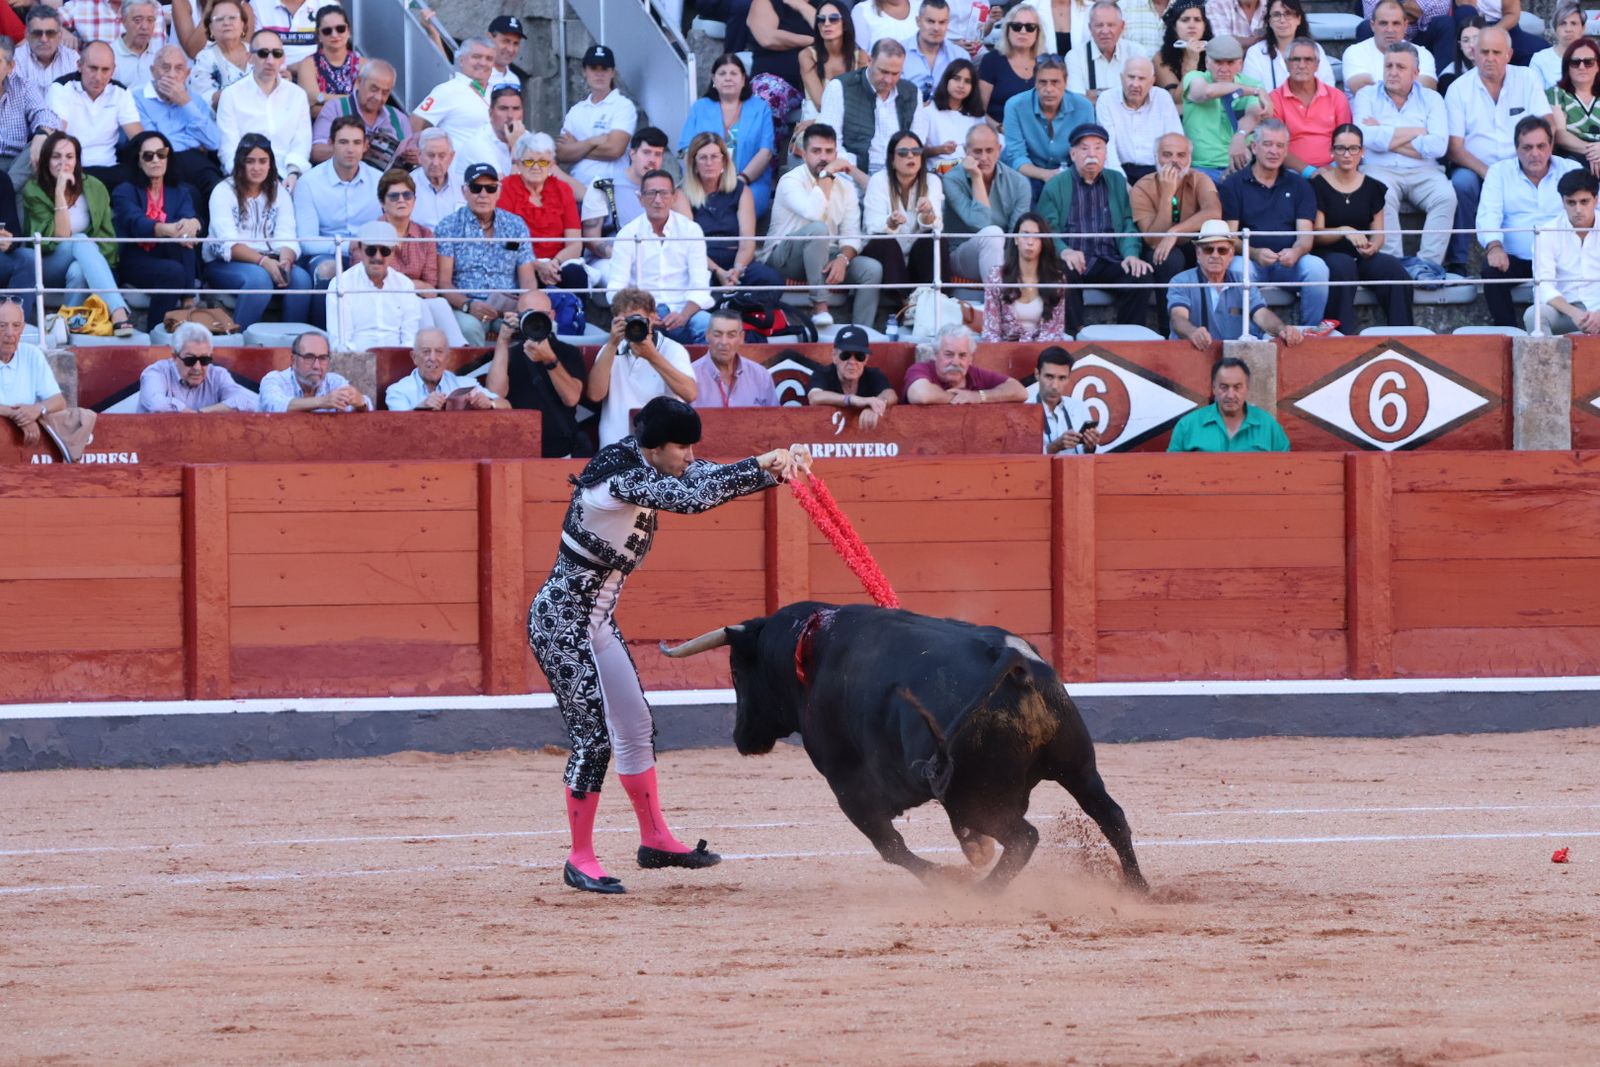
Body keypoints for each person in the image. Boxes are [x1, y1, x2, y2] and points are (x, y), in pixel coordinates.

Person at [528, 394, 810, 895]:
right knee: (594, 740)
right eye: (682, 446)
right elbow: (692, 498)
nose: (689, 455)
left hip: (595, 621)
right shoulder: (618, 477)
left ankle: (656, 839)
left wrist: (769, 468)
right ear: (654, 447)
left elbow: (697, 480)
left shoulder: (645, 463)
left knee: (635, 727)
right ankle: (580, 857)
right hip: (560, 622)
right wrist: (759, 467)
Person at [1444, 27, 1550, 272]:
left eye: (1496, 52)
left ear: (1509, 54)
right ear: (1473, 54)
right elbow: (1454, 148)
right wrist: (1489, 172)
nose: (1489, 58)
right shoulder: (1458, 89)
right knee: (1461, 184)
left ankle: (1543, 257)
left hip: (1521, 165)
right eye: (1484, 52)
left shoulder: (1527, 78)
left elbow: (1547, 124)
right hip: (1476, 167)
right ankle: (1459, 262)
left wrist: (1524, 166)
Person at [762, 122, 883, 328]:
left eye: (829, 151)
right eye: (816, 151)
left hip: (826, 255)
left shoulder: (846, 187)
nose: (824, 157)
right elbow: (813, 213)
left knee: (872, 269)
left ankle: (862, 332)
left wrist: (843, 259)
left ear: (836, 153)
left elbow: (851, 234)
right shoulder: (790, 180)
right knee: (819, 229)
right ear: (804, 153)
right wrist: (827, 175)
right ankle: (820, 305)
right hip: (785, 257)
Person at [1038, 123, 1153, 333]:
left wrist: (1131, 254)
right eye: (1084, 148)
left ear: (1106, 153)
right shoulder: (1056, 184)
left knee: (1139, 275)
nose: (1092, 154)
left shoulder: (1116, 180)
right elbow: (1046, 229)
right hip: (1073, 258)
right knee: (1063, 274)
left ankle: (1130, 337)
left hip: (1107, 257)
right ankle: (1072, 336)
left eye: (1098, 147)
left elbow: (1128, 223)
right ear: (1073, 154)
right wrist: (1064, 250)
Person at [1352, 41, 1455, 271]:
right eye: (1389, 66)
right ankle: (1394, 266)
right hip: (1380, 169)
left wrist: (1384, 134)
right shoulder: (1366, 95)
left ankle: (1427, 267)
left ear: (1415, 73)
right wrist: (1419, 132)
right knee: (1379, 193)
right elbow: (1364, 138)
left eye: (1400, 67)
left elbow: (1438, 146)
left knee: (1446, 196)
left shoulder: (1432, 99)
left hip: (1425, 171)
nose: (1393, 72)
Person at [1218, 118, 1330, 326]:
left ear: (1286, 151)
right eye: (1268, 144)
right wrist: (1255, 253)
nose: (1274, 151)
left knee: (1317, 267)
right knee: (1236, 269)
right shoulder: (1234, 184)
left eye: (1280, 146)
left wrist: (1296, 252)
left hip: (1289, 261)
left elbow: (1306, 236)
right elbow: (1230, 237)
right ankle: (1250, 334)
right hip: (1251, 260)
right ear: (1254, 146)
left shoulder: (1300, 185)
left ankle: (1310, 331)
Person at [23, 131, 135, 335]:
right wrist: (59, 192)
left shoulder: (94, 186)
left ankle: (68, 326)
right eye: (56, 157)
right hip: (46, 263)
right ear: (46, 160)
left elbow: (106, 236)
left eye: (69, 157)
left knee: (78, 269)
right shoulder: (34, 190)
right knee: (80, 240)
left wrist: (93, 262)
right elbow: (57, 238)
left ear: (77, 160)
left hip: (84, 261)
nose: (62, 162)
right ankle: (119, 311)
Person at [203, 133, 313, 327]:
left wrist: (286, 261)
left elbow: (287, 235)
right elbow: (229, 244)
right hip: (226, 263)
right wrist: (264, 262)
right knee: (259, 281)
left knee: (301, 280)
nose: (257, 168)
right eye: (250, 161)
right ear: (240, 163)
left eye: (263, 161)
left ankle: (291, 345)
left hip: (272, 258)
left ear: (270, 164)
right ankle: (240, 344)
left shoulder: (278, 191)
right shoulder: (223, 191)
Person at [1479, 115, 1579, 326]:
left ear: (1551, 146)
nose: (1535, 154)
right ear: (1516, 149)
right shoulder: (1499, 172)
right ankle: (1506, 332)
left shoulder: (1570, 169)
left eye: (1541, 146)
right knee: (1490, 272)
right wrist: (1495, 246)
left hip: (1561, 257)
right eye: (1527, 147)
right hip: (1518, 259)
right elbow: (1489, 213)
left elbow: (1594, 209)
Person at [1312, 124, 1414, 328]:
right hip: (1328, 253)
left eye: (1353, 149)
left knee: (1395, 270)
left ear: (1362, 152)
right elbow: (1316, 235)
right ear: (1332, 151)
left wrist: (1373, 247)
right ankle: (1340, 334)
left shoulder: (1373, 187)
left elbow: (1378, 234)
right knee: (1343, 267)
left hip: (1362, 253)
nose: (1347, 154)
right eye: (1340, 148)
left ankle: (1403, 332)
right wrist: (1344, 231)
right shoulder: (1317, 185)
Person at [607, 168, 713, 345]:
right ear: (640, 198)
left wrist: (684, 315)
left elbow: (700, 284)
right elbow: (615, 288)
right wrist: (639, 313)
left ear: (674, 197)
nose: (658, 200)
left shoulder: (691, 230)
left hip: (683, 310)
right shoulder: (627, 234)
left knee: (711, 327)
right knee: (627, 328)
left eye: (664, 193)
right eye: (651, 193)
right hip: (641, 313)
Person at [436, 161, 538, 345]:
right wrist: (468, 305)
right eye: (476, 188)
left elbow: (528, 280)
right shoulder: (448, 226)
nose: (483, 194)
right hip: (467, 307)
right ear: (464, 191)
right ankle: (473, 374)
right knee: (469, 329)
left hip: (509, 309)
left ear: (498, 192)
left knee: (541, 326)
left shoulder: (515, 225)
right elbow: (444, 282)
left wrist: (523, 308)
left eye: (490, 188)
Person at [1130, 132, 1222, 333]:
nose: (1174, 161)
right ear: (1156, 158)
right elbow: (1153, 241)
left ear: (1189, 159)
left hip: (1190, 244)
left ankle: (1214, 329)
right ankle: (1168, 331)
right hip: (1158, 250)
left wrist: (1174, 232)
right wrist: (1167, 195)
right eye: (1167, 155)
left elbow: (1214, 211)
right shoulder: (1142, 187)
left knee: (1213, 251)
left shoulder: (1199, 178)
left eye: (1181, 155)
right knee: (1168, 259)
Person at [673, 131, 785, 296]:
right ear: (694, 163)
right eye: (703, 157)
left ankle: (733, 306)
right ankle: (728, 306)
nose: (709, 163)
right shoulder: (682, 194)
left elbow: (747, 244)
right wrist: (718, 271)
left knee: (772, 280)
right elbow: (689, 245)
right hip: (701, 261)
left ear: (724, 160)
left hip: (736, 261)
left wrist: (736, 272)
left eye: (714, 157)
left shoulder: (741, 191)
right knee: (699, 287)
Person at [484, 288, 591, 457]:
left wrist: (549, 359)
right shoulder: (509, 354)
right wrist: (503, 340)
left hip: (561, 452)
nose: (535, 321)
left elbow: (571, 398)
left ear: (552, 316)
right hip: (518, 451)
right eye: (529, 314)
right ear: (517, 316)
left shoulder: (568, 352)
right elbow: (495, 393)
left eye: (541, 315)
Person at [586, 286, 698, 446]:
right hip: (616, 447)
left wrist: (652, 356)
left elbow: (690, 393)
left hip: (660, 448)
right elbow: (595, 395)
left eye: (637, 319)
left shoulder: (672, 349)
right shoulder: (609, 349)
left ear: (652, 318)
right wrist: (612, 344)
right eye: (625, 321)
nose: (633, 325)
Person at [110, 129, 200, 327]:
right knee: (173, 270)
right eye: (148, 156)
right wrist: (170, 229)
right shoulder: (124, 192)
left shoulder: (180, 192)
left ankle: (187, 299)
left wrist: (193, 224)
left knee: (184, 244)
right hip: (135, 257)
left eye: (161, 154)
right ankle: (156, 331)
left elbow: (188, 220)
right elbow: (137, 223)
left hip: (171, 254)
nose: (156, 160)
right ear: (138, 160)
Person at [1166, 219, 1305, 344]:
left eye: (1222, 250)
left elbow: (1261, 314)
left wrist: (1282, 329)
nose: (1215, 255)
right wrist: (1192, 333)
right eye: (1208, 249)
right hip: (1192, 356)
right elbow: (1178, 317)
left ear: (1231, 254)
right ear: (1198, 253)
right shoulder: (1181, 281)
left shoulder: (1242, 281)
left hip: (1233, 360)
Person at [678, 53, 776, 217]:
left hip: (749, 183)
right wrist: (703, 179)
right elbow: (686, 148)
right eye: (722, 74)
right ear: (713, 79)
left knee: (741, 207)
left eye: (734, 73)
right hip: (703, 182)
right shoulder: (700, 107)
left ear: (744, 79)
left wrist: (740, 181)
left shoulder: (760, 108)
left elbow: (765, 152)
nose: (728, 78)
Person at [377, 167, 466, 346]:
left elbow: (431, 287)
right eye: (394, 196)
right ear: (382, 202)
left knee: (439, 303)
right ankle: (430, 356)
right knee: (421, 306)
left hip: (419, 299)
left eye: (407, 195)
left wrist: (403, 284)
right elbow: (374, 282)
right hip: (383, 302)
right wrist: (414, 285)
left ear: (414, 200)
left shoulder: (425, 235)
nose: (401, 200)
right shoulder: (370, 234)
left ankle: (460, 352)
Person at [817, 38, 926, 185]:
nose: (888, 80)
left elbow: (917, 143)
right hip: (851, 174)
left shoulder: (912, 92)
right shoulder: (840, 87)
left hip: (898, 175)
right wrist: (858, 175)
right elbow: (829, 143)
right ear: (869, 60)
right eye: (883, 72)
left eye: (895, 74)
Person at [293, 114, 381, 287]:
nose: (350, 149)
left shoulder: (379, 181)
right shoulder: (309, 183)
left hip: (370, 253)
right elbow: (307, 242)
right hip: (325, 256)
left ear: (365, 146)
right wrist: (350, 246)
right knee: (329, 269)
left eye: (357, 143)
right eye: (343, 142)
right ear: (331, 143)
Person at [133, 45, 223, 209]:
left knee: (218, 189)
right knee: (189, 195)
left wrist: (184, 103)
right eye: (165, 68)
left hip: (196, 162)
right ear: (153, 71)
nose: (172, 74)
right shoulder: (137, 99)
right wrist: (192, 140)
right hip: (161, 159)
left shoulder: (194, 101)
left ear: (187, 74)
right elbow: (150, 139)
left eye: (179, 68)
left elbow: (214, 142)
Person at [216, 30, 310, 182]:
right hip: (244, 178)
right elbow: (228, 148)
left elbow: (301, 143)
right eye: (263, 53)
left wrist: (293, 174)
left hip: (287, 177)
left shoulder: (297, 95)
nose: (270, 60)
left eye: (277, 54)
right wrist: (246, 180)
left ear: (283, 58)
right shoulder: (231, 95)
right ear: (249, 58)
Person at [46, 41, 143, 188]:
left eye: (105, 70)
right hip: (73, 169)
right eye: (93, 68)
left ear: (113, 71)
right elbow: (57, 135)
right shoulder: (61, 88)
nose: (98, 77)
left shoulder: (120, 92)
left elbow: (138, 137)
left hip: (110, 168)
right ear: (79, 65)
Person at [497, 131, 585, 292]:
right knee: (526, 275)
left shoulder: (563, 190)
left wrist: (555, 263)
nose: (536, 167)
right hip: (521, 263)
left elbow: (575, 244)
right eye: (530, 161)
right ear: (519, 163)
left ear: (551, 165)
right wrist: (537, 264)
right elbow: (505, 243)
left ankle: (575, 317)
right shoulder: (506, 188)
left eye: (543, 162)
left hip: (557, 263)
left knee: (575, 274)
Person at [1002, 53, 1100, 197]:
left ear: (1065, 82)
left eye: (1055, 82)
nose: (1049, 89)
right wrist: (1045, 174)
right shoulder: (1015, 106)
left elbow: (1085, 152)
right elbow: (1016, 156)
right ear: (1035, 82)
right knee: (1023, 187)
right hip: (1028, 171)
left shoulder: (1084, 108)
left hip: (1069, 172)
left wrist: (1065, 177)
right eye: (1043, 82)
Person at [862, 129, 944, 301]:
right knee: (886, 243)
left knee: (935, 240)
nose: (910, 157)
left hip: (915, 255)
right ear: (892, 159)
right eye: (903, 153)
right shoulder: (879, 180)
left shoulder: (932, 181)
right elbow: (871, 225)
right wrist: (890, 222)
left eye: (916, 152)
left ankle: (934, 302)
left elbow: (937, 225)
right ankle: (902, 304)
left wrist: (928, 214)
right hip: (885, 254)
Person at [943, 123, 1030, 283]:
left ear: (999, 150)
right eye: (977, 151)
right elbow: (980, 223)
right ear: (965, 151)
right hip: (961, 255)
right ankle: (997, 303)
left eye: (989, 150)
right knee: (993, 234)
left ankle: (1000, 296)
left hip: (1004, 254)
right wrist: (976, 178)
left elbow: (1015, 236)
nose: (983, 158)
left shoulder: (1019, 183)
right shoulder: (952, 179)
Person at [325, 219, 421, 350]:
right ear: (360, 249)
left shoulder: (404, 285)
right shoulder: (341, 284)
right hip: (355, 362)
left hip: (396, 362)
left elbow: (410, 339)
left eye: (385, 251)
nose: (378, 257)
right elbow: (341, 342)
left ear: (393, 252)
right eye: (371, 250)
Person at [1182, 34, 1265, 182]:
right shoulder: (1194, 76)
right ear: (1207, 62)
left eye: (1230, 62)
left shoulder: (1253, 83)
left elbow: (1254, 114)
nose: (1224, 69)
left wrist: (1240, 136)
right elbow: (1204, 92)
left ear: (1240, 64)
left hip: (1241, 167)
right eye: (1218, 62)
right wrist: (1250, 91)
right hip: (1200, 168)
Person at [410, 36, 498, 176]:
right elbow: (417, 120)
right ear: (462, 60)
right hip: (458, 178)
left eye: (489, 59)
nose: (483, 62)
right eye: (476, 57)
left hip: (490, 179)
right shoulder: (448, 89)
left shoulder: (496, 92)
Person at [579, 126, 666, 263]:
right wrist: (624, 258)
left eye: (658, 154)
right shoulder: (603, 184)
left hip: (653, 261)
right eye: (646, 152)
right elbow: (591, 239)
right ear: (632, 154)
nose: (652, 160)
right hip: (608, 261)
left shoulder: (666, 189)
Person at [1167, 354, 1289, 451]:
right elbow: (1170, 471)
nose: (1230, 395)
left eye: (1237, 387)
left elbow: (1287, 471)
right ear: (1213, 388)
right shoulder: (1187, 426)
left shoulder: (1269, 426)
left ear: (1247, 388)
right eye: (1224, 387)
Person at [557, 44, 636, 193]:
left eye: (604, 69)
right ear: (584, 71)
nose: (599, 74)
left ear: (612, 72)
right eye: (594, 68)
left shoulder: (623, 106)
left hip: (613, 192)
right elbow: (561, 154)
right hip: (578, 191)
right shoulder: (576, 110)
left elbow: (614, 150)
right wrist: (592, 142)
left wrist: (577, 146)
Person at [1529, 167, 1600, 333]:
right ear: (1562, 201)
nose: (1578, 210)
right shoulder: (1546, 232)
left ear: (1595, 200)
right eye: (1571, 202)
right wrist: (1574, 313)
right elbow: (1543, 286)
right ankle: (1544, 360)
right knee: (1534, 315)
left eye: (1584, 201)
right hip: (1566, 310)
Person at [310, 59, 412, 171]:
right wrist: (359, 149)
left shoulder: (399, 118)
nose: (378, 97)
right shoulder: (335, 108)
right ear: (359, 82)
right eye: (374, 89)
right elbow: (316, 152)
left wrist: (414, 157)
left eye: (385, 93)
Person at [1268, 37, 1352, 173]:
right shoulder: (1274, 99)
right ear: (1286, 63)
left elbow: (1347, 141)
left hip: (1335, 169)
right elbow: (1275, 146)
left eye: (1308, 60)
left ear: (1317, 65)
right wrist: (1309, 172)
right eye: (1296, 59)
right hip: (1291, 172)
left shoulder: (1336, 97)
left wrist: (1330, 170)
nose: (1302, 65)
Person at [982, 210, 1068, 342]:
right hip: (1006, 351)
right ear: (1016, 239)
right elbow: (991, 331)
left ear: (1043, 242)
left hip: (1043, 352)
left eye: (1036, 236)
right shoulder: (996, 277)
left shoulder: (1056, 280)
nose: (1030, 242)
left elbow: (1055, 331)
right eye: (1025, 235)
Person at [1096, 54, 1182, 185]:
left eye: (1141, 79)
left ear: (1152, 81)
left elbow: (1176, 142)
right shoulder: (1106, 99)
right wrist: (1121, 183)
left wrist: (1164, 179)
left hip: (1157, 173)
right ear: (1121, 77)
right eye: (1131, 77)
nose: (1135, 84)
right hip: (1120, 170)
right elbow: (1108, 148)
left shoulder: (1162, 98)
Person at [137, 322, 259, 411]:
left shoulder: (217, 374)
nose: (197, 367)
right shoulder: (156, 372)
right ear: (174, 357)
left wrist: (203, 413)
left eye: (205, 360)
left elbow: (247, 402)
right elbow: (156, 404)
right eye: (190, 360)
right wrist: (186, 412)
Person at [384, 327, 505, 411]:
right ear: (414, 357)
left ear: (448, 357)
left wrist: (491, 404)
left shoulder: (466, 385)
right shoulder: (398, 391)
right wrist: (421, 408)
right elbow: (399, 427)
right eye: (426, 351)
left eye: (439, 352)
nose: (432, 358)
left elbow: (506, 405)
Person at [905, 324, 1026, 404]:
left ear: (971, 358)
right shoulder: (920, 369)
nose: (956, 362)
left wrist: (979, 396)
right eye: (949, 354)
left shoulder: (975, 374)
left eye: (962, 355)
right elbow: (921, 395)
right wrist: (961, 398)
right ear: (935, 355)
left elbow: (1020, 391)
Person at [0, 35, 61, 193]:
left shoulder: (24, 87)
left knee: (43, 142)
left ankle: (6, 189)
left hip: (17, 164)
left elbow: (45, 114)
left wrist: (42, 134)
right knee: (21, 192)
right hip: (19, 178)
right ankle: (7, 191)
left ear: (10, 66)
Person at [0, 301, 66, 446]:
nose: (9, 333)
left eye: (16, 326)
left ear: (22, 329)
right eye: (2, 325)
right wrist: (17, 416)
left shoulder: (32, 354)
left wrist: (37, 409)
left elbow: (59, 401)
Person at [806, 323, 897, 427]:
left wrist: (876, 405)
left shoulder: (873, 374)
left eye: (859, 356)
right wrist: (851, 399)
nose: (852, 362)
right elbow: (814, 397)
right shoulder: (823, 373)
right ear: (834, 356)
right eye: (845, 355)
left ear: (866, 359)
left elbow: (890, 393)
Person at [257, 330, 369, 412]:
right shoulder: (274, 379)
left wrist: (360, 403)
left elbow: (363, 409)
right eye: (309, 357)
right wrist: (322, 401)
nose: (316, 366)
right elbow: (275, 406)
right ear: (293, 360)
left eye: (322, 358)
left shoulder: (335, 382)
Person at [691, 307, 779, 408]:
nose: (724, 342)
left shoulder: (760, 375)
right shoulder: (691, 376)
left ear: (741, 338)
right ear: (707, 335)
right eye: (717, 335)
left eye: (731, 335)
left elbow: (774, 420)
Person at [1344, 1, 1438, 95]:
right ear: (1372, 26)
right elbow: (1366, 93)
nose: (1390, 30)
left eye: (1396, 23)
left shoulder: (1422, 54)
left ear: (1405, 26)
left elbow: (1426, 92)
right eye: (1383, 23)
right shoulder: (1355, 52)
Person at [1068, 1, 1146, 106]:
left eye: (1111, 25)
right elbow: (1078, 103)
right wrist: (1125, 95)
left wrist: (1096, 94)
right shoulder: (1075, 57)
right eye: (1099, 25)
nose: (1105, 31)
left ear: (1122, 26)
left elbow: (1142, 97)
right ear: (1090, 28)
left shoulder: (1136, 52)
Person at [1242, 0, 1330, 91]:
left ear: (1298, 19)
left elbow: (1328, 89)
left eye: (1288, 14)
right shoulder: (1255, 53)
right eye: (1276, 15)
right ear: (1269, 21)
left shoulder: (1315, 49)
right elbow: (1252, 96)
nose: (1282, 20)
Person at [1353, 0, 1456, 77]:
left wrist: (1393, 9)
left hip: (1422, 35)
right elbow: (1374, 14)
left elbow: (1440, 6)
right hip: (1385, 38)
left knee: (1445, 24)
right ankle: (1371, 79)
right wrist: (1414, 10)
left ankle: (1441, 81)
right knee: (1367, 26)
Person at [799, 0, 867, 116]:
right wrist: (815, 121)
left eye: (834, 18)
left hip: (850, 123)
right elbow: (821, 105)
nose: (826, 23)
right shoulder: (808, 56)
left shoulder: (860, 57)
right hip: (815, 124)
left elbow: (861, 103)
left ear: (844, 24)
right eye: (821, 19)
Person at [978, 5, 1042, 128]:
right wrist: (1000, 128)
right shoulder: (991, 61)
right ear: (1007, 29)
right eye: (1017, 26)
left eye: (1030, 27)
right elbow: (980, 111)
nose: (1023, 31)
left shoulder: (1044, 64)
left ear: (1037, 32)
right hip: (1000, 136)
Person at [293, 3, 359, 120]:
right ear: (318, 35)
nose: (334, 35)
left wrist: (322, 98)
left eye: (340, 29)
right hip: (322, 130)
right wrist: (350, 99)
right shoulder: (308, 64)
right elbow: (312, 107)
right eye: (327, 31)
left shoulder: (363, 64)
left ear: (348, 31)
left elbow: (363, 104)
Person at [922, 57, 985, 173]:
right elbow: (917, 151)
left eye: (967, 81)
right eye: (956, 79)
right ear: (947, 80)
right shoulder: (928, 112)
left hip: (970, 172)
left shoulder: (977, 117)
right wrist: (939, 150)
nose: (961, 85)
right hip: (936, 173)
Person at [187, 0, 251, 111]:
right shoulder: (204, 59)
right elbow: (204, 102)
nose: (226, 23)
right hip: (221, 123)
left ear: (243, 24)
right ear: (210, 28)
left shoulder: (259, 52)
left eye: (232, 18)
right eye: (219, 19)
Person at [1549, 37, 1600, 177]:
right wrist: (1593, 152)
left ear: (1598, 66)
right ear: (1567, 66)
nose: (1582, 67)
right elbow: (1560, 134)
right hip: (1573, 156)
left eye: (1588, 62)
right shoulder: (1555, 94)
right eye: (1575, 62)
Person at [1036, 345, 1098, 455]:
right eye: (1049, 377)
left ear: (1068, 378)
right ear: (1037, 374)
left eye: (1062, 378)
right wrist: (1054, 447)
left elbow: (1088, 455)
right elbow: (1021, 458)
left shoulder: (1080, 407)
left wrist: (1090, 447)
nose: (1055, 385)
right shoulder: (1024, 411)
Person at [900, 0, 963, 101]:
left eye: (942, 22)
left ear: (948, 24)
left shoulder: (960, 56)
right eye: (930, 21)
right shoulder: (899, 52)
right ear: (918, 21)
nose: (936, 28)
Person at [1454, 0, 1547, 68]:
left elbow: (1512, 15)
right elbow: (1464, 5)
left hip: (1503, 26)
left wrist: (1492, 32)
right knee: (1464, 11)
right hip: (1473, 25)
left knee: (1543, 50)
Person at [1153, 0, 1212, 107]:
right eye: (1185, 20)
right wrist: (1191, 63)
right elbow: (1177, 101)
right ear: (1174, 27)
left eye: (1197, 20)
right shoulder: (1160, 58)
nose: (1192, 25)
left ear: (1204, 26)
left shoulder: (1214, 53)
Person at [16, 7, 79, 99]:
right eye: (37, 33)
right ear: (27, 35)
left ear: (60, 36)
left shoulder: (73, 59)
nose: (44, 39)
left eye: (50, 33)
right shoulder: (15, 59)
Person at [410, 127, 463, 228]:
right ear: (419, 156)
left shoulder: (464, 186)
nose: (436, 163)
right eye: (431, 155)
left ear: (451, 156)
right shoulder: (407, 187)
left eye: (442, 156)